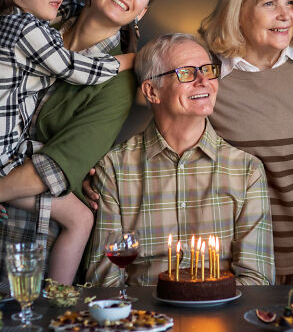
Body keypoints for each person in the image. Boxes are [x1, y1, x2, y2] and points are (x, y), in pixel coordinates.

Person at [0, 0, 160, 283]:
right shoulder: (38, 18)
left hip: (30, 234)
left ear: (142, 10)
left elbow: (59, 165)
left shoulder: (117, 84)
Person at [85, 34, 274, 286]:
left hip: (221, 317)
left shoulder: (247, 170)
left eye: (207, 70)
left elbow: (256, 280)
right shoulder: (114, 168)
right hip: (144, 320)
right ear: (152, 91)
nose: (204, 80)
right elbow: (104, 282)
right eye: (186, 72)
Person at [197, 0, 293, 285]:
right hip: (242, 264)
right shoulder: (208, 77)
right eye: (269, 3)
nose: (285, 15)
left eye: (290, 3)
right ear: (238, 10)